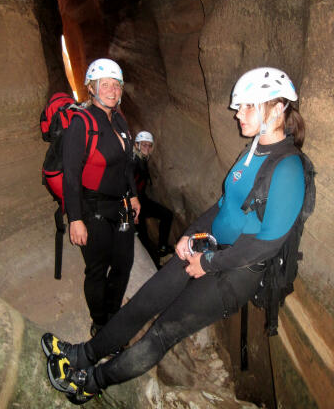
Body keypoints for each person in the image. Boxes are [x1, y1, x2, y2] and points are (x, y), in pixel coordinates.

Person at [41, 67, 314, 405]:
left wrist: (209, 262)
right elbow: (224, 205)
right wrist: (190, 236)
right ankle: (82, 355)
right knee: (143, 302)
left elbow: (267, 244)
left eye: (246, 106)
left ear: (276, 110)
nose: (237, 114)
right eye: (239, 106)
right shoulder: (253, 148)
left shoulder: (289, 169)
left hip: (235, 272)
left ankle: (90, 382)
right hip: (208, 248)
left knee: (162, 333)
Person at [62, 57, 140, 338]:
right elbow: (70, 176)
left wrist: (133, 196)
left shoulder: (118, 119)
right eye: (104, 84)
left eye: (116, 85)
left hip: (120, 205)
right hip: (92, 206)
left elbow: (126, 163)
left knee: (124, 262)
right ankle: (100, 324)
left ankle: (113, 312)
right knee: (98, 268)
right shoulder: (80, 124)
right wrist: (76, 219)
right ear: (92, 89)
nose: (112, 90)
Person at [133, 131, 174, 269]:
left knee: (167, 215)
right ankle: (155, 266)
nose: (147, 148)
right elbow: (125, 187)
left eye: (149, 145)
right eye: (144, 145)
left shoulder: (142, 159)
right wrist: (132, 211)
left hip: (142, 201)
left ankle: (162, 248)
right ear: (136, 145)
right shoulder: (133, 161)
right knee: (143, 238)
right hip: (133, 205)